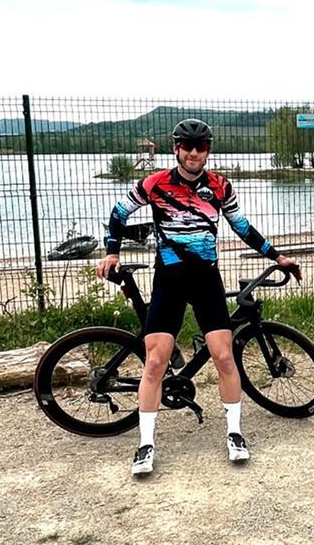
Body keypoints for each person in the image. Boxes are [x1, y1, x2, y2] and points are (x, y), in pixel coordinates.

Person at [96, 118, 300, 476]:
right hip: (169, 278)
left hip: (206, 278)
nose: (193, 153)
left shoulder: (220, 186)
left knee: (223, 356)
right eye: (187, 146)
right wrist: (112, 252)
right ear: (176, 149)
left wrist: (276, 256)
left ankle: (235, 434)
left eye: (200, 147)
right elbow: (118, 213)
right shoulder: (155, 183)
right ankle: (145, 444)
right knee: (155, 362)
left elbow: (242, 228)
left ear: (207, 149)